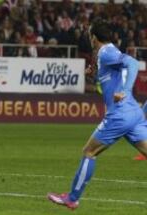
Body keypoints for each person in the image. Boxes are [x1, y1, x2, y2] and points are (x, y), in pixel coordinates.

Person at [47, 19, 147, 210]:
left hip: (120, 114)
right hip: (133, 112)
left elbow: (133, 62)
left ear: (93, 37)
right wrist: (94, 74)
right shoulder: (105, 54)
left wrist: (125, 89)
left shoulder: (107, 52)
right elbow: (111, 77)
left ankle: (72, 198)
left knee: (89, 152)